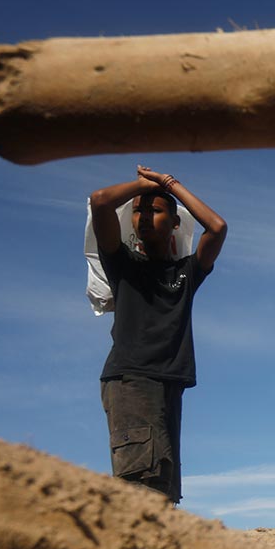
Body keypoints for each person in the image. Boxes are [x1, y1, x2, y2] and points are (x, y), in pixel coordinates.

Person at [90, 165, 227, 504]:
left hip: (169, 382)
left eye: (155, 209)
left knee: (164, 487)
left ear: (176, 223)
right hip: (132, 379)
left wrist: (170, 185)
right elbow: (100, 201)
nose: (145, 216)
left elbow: (217, 227)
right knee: (141, 484)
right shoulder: (123, 264)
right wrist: (143, 185)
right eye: (138, 211)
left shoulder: (186, 273)